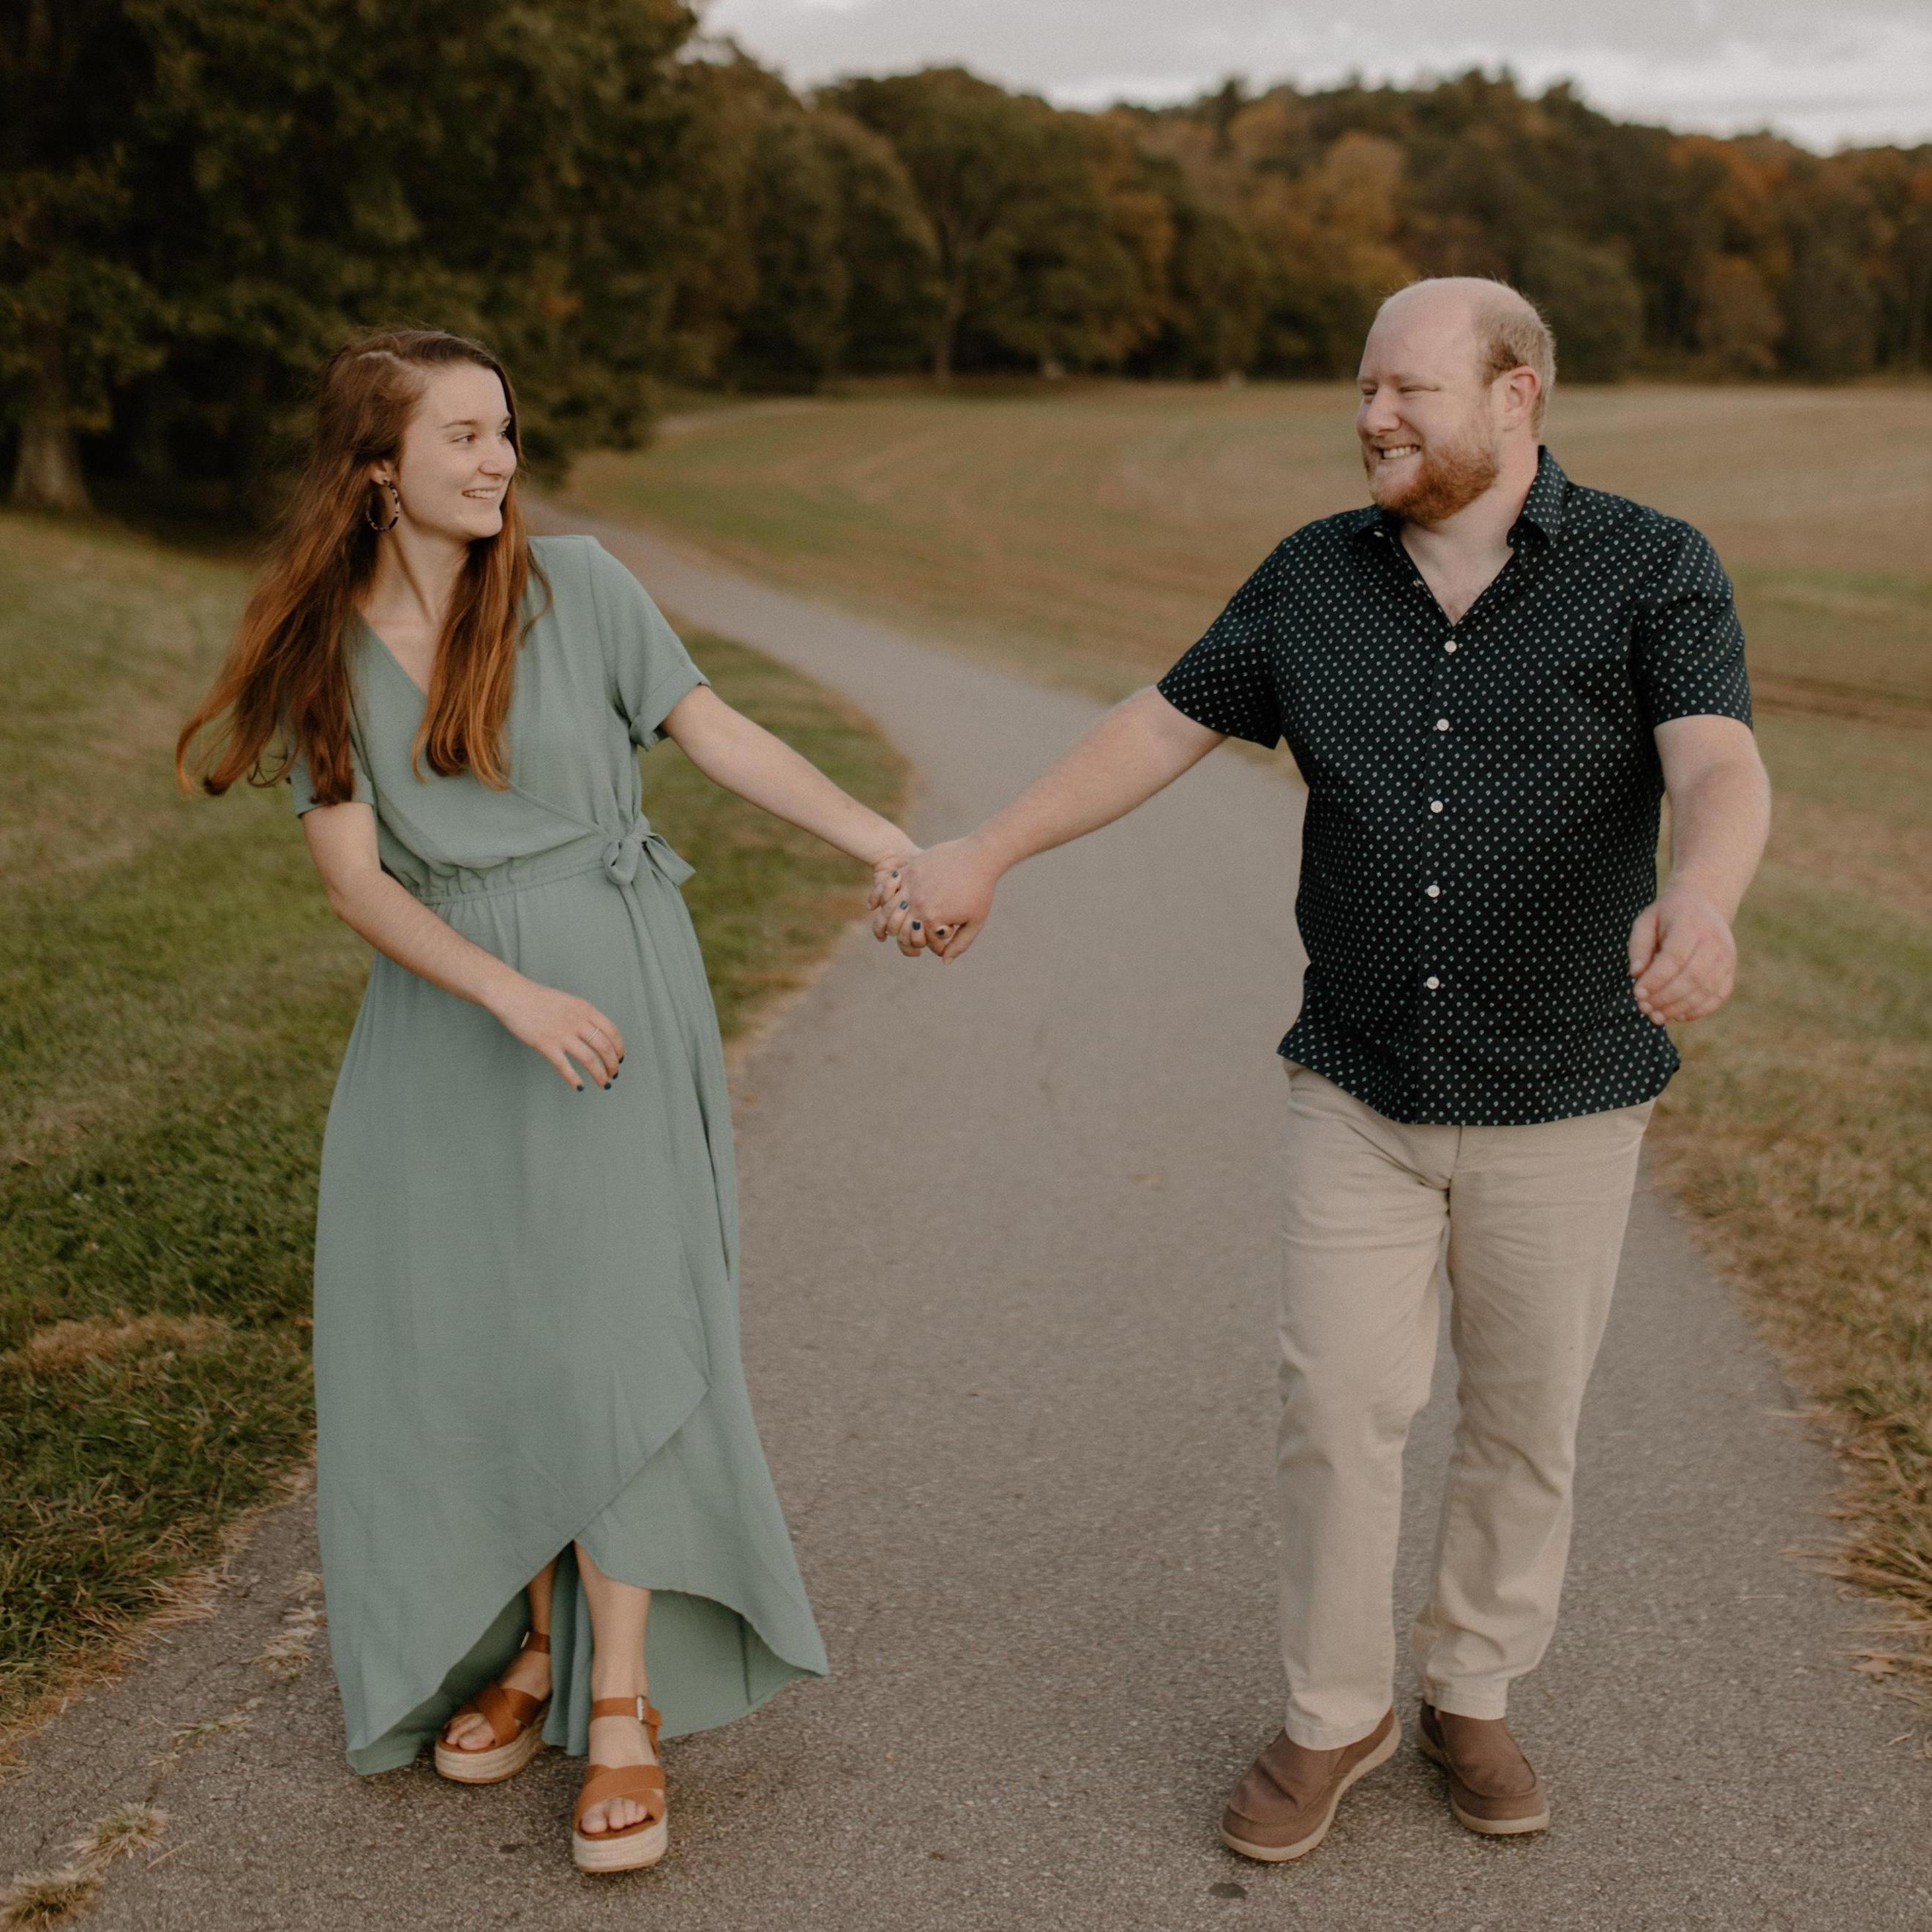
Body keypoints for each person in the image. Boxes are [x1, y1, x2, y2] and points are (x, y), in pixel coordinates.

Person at [875, 278, 1772, 1859]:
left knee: (1525, 1421)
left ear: (1516, 397)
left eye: (1408, 389)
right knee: (1338, 1403)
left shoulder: (1650, 565)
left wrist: (1701, 896)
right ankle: (1333, 1711)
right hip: (1357, 1081)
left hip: (1566, 1086)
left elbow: (1717, 757)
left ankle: (1473, 1690)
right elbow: (1160, 726)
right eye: (1365, 388)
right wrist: (988, 849)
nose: (1372, 416)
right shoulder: (1313, 576)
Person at [177, 328, 919, 1873]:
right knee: (487, 1331)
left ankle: (623, 1697)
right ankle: (534, 1643)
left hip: (614, 991)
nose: (498, 460)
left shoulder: (581, 588)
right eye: (461, 436)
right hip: (450, 1025)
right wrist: (503, 992)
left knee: (611, 1329)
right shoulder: (321, 648)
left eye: (504, 431)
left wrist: (886, 845)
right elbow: (356, 882)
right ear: (376, 468)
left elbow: (718, 734)